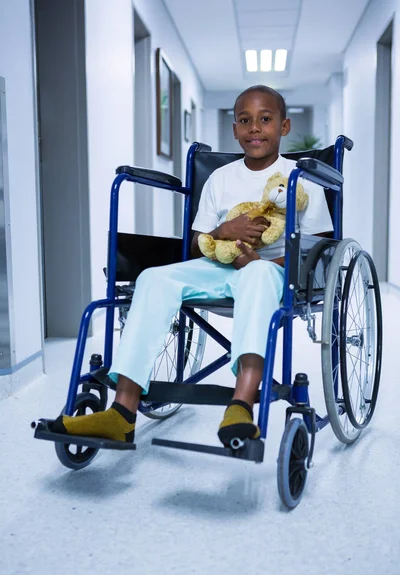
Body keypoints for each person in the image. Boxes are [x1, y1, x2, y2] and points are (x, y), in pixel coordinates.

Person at [50, 85, 333, 447]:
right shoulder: (221, 178)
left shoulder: (302, 177)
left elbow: (318, 250)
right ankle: (122, 411)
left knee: (258, 273)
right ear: (234, 130)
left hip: (276, 271)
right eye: (245, 121)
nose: (255, 129)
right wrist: (224, 230)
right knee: (153, 278)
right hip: (218, 266)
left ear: (285, 127)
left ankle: (241, 403)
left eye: (265, 119)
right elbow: (200, 244)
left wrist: (259, 260)